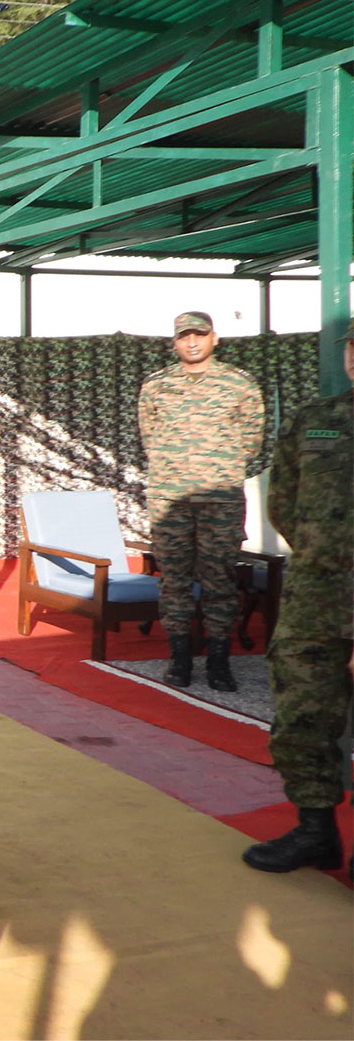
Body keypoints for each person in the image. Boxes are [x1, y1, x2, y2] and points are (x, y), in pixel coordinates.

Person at [242, 322, 352, 874]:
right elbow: (281, 498)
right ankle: (315, 831)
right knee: (301, 715)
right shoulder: (317, 420)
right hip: (316, 595)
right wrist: (319, 550)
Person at [137, 310, 264, 693]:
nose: (192, 342)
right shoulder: (156, 386)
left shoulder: (239, 384)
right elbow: (149, 437)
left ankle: (219, 661)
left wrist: (217, 469)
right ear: (174, 342)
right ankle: (179, 659)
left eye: (199, 335)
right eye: (184, 336)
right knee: (173, 581)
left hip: (220, 499)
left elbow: (252, 439)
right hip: (169, 497)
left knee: (220, 580)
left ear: (215, 339)